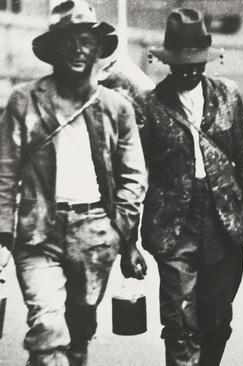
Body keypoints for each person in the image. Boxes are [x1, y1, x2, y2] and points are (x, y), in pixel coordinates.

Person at [0, 1, 148, 365]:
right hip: (38, 233)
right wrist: (3, 235)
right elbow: (4, 173)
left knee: (78, 334)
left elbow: (134, 176)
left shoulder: (116, 107)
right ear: (53, 50)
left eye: (86, 41)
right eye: (68, 41)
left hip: (96, 235)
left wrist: (118, 229)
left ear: (98, 49)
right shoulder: (24, 101)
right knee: (48, 328)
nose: (78, 49)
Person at [141, 8, 243, 366]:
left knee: (217, 320)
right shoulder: (150, 105)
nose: (190, 69)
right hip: (174, 226)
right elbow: (135, 173)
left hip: (224, 223)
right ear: (168, 60)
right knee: (180, 322)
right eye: (181, 62)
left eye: (197, 61)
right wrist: (127, 241)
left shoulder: (228, 95)